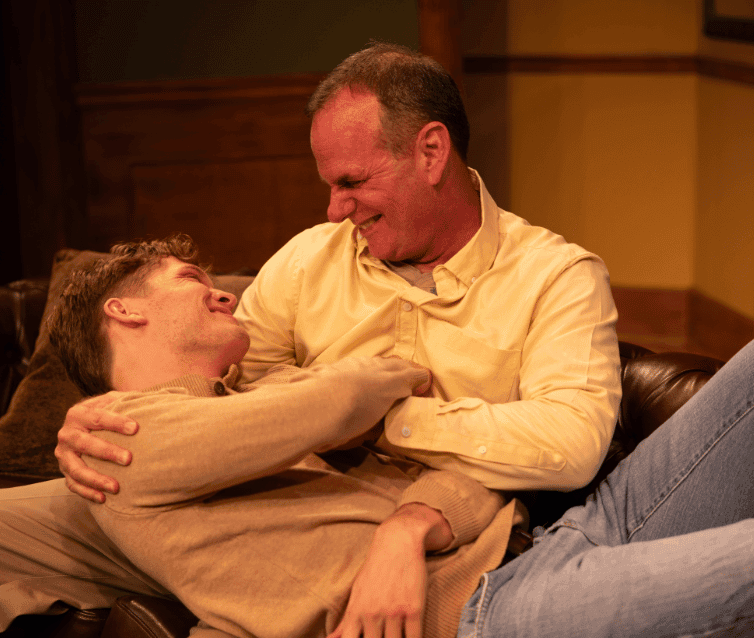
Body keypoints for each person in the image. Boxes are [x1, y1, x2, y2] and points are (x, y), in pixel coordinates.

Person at [56, 43, 754, 637]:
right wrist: (90, 422)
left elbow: (570, 445)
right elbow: (226, 398)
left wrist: (377, 418)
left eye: (353, 182)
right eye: (329, 185)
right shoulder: (306, 261)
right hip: (497, 589)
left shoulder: (556, 276)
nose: (335, 209)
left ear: (431, 151)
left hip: (579, 521)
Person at [0, 235, 526, 638]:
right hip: (488, 606)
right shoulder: (120, 438)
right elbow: (347, 395)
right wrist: (385, 376)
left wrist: (411, 526)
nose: (228, 294)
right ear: (124, 310)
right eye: (191, 278)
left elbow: (474, 475)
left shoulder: (275, 397)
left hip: (519, 553)